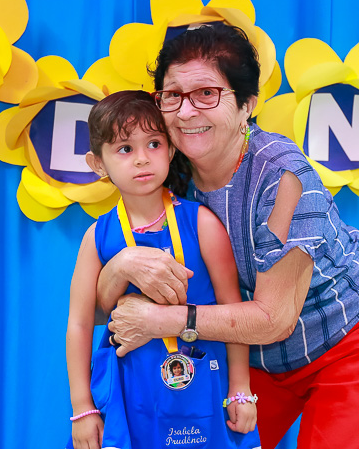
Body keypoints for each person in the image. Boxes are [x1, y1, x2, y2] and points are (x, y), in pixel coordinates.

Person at [100, 25, 359, 449]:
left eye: (207, 93)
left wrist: (160, 321)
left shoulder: (283, 179)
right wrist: (121, 265)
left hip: (347, 338)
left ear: (247, 104)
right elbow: (101, 312)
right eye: (172, 95)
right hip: (250, 350)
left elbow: (274, 319)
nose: (185, 112)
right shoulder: (164, 169)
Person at [65, 90, 261, 449]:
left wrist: (240, 389)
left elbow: (233, 308)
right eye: (125, 148)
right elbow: (79, 323)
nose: (142, 158)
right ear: (98, 164)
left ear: (171, 150)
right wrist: (82, 408)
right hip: (128, 396)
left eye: (154, 144)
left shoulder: (201, 223)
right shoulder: (97, 237)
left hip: (203, 384)